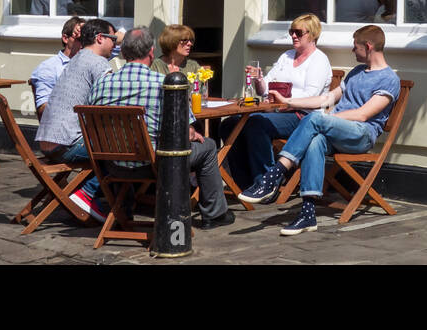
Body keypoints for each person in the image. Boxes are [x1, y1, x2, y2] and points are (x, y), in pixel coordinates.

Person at [239, 24, 400, 237]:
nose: (353, 51)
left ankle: (274, 175)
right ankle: (307, 213)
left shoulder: (389, 79)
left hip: (360, 134)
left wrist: (325, 118)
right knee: (314, 140)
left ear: (368, 46)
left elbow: (362, 115)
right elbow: (327, 99)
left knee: (316, 118)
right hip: (336, 130)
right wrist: (289, 101)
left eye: (355, 47)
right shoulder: (357, 72)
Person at [68, 26, 233, 229]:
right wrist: (192, 132)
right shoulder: (164, 83)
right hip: (155, 164)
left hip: (110, 163)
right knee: (207, 146)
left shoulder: (102, 83)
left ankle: (124, 210)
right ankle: (214, 214)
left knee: (126, 142)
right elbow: (186, 130)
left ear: (124, 51)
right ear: (151, 52)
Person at [229, 14, 332, 188]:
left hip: (303, 117)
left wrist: (284, 101)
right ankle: (243, 181)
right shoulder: (287, 56)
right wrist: (259, 79)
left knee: (256, 123)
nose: (293, 36)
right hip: (279, 112)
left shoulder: (319, 60)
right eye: (291, 31)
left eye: (298, 32)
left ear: (312, 34)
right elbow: (265, 89)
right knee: (230, 124)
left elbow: (311, 96)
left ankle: (267, 182)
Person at [34, 19, 117, 159]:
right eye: (113, 39)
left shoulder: (75, 59)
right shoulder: (98, 62)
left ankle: (94, 181)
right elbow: (113, 99)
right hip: (67, 144)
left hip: (47, 142)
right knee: (124, 147)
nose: (115, 45)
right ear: (100, 38)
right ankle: (91, 182)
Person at [27, 16, 84, 117]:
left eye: (87, 39)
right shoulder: (49, 67)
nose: (83, 43)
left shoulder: (92, 60)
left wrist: (95, 32)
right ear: (66, 38)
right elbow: (42, 108)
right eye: (79, 39)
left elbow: (118, 40)